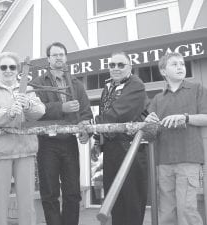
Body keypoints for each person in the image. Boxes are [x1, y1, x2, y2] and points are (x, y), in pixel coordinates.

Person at [0, 52, 45, 225]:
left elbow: (40, 111)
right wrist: (8, 112)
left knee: (27, 201)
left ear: (18, 70)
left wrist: (28, 105)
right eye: (4, 67)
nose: (8, 70)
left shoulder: (27, 89)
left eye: (12, 67)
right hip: (0, 151)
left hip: (25, 150)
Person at [31, 42, 93, 225]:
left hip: (69, 142)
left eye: (62, 54)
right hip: (46, 143)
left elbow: (86, 112)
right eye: (55, 55)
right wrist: (61, 107)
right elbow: (34, 112)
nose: (59, 57)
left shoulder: (76, 84)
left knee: (72, 192)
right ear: (48, 59)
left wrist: (85, 129)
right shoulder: (37, 83)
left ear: (66, 57)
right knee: (49, 192)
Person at [145, 52, 207, 225]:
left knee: (187, 211)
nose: (180, 67)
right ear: (163, 71)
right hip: (163, 162)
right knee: (166, 214)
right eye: (175, 64)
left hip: (189, 159)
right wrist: (148, 121)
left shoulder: (197, 89)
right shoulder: (157, 99)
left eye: (182, 64)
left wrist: (185, 117)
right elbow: (149, 132)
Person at [94, 52, 148, 225]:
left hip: (131, 148)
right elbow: (105, 115)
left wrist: (92, 127)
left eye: (120, 65)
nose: (115, 68)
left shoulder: (136, 84)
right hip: (111, 150)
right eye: (112, 65)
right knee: (115, 201)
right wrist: (97, 142)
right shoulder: (107, 87)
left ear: (130, 67)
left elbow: (118, 114)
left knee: (132, 201)